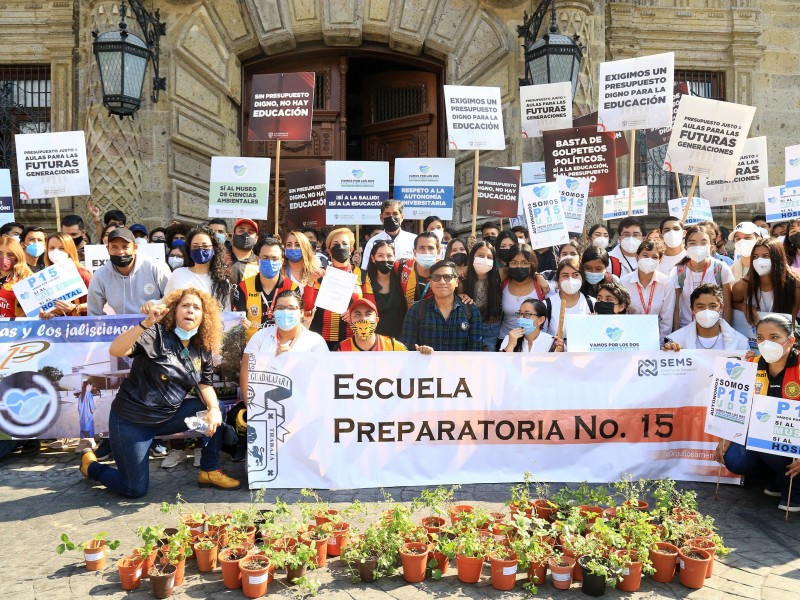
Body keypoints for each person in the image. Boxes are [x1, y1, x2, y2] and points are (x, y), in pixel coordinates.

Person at [80, 288, 240, 496]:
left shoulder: (202, 348)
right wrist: (146, 323)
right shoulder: (155, 334)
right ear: (174, 311)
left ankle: (209, 470)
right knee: (134, 489)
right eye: (185, 305)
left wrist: (213, 409)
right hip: (131, 422)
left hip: (168, 416)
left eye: (196, 307)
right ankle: (91, 467)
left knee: (214, 408)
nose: (190, 310)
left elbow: (205, 384)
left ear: (204, 316)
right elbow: (116, 351)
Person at [716, 314, 800, 512]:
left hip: (795, 441)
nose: (766, 343)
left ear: (791, 340)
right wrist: (726, 436)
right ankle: (776, 480)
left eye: (774, 337)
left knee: (767, 443)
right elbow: (738, 406)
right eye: (760, 338)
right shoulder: (751, 365)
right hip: (767, 438)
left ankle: (794, 490)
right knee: (736, 459)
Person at [240, 289, 329, 396]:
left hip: (303, 406)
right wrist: (252, 408)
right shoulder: (260, 337)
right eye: (280, 308)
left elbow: (323, 379)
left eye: (291, 308)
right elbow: (246, 375)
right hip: (263, 404)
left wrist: (293, 361)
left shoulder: (315, 341)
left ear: (301, 312)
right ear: (274, 312)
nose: (285, 312)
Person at [399, 260, 483, 353]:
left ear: (456, 282)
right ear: (430, 282)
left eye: (447, 277)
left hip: (460, 367)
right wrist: (420, 352)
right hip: (426, 367)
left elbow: (475, 351)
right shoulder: (416, 310)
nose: (442, 282)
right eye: (436, 277)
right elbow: (406, 349)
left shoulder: (471, 310)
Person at [732, 238, 800, 348]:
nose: (759, 260)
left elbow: (790, 320)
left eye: (765, 256)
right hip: (752, 343)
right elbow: (733, 303)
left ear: (777, 258)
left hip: (781, 342)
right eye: (755, 257)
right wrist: (743, 306)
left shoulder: (794, 285)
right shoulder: (743, 285)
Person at [87, 228, 171, 316]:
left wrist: (156, 303)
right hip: (122, 327)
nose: (120, 252)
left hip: (155, 324)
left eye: (125, 247)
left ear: (135, 248)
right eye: (114, 247)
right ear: (108, 249)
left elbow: (173, 298)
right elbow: (94, 313)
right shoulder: (100, 276)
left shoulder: (156, 267)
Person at [233, 236, 300, 342]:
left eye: (274, 258)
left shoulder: (292, 288)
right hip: (252, 348)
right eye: (265, 258)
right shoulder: (243, 287)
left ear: (281, 262)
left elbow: (297, 322)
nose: (270, 262)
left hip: (281, 347)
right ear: (257, 260)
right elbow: (236, 324)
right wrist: (240, 324)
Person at [305, 227, 363, 349]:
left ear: (351, 249)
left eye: (345, 244)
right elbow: (308, 307)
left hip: (352, 339)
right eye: (335, 244)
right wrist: (310, 281)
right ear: (329, 251)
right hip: (321, 340)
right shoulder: (320, 274)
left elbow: (371, 306)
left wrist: (355, 311)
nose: (340, 247)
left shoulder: (362, 274)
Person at [671, 224, 735, 329]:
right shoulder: (678, 271)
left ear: (710, 247)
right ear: (686, 247)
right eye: (692, 243)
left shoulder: (720, 268)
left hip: (715, 329)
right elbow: (676, 308)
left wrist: (725, 331)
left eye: (703, 242)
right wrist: (676, 333)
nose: (698, 246)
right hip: (687, 328)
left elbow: (728, 305)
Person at [662, 284, 748, 351]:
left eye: (713, 306)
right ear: (692, 309)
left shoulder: (740, 342)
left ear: (721, 307)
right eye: (700, 307)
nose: (707, 311)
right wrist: (669, 352)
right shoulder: (676, 340)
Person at [164, 227, 232, 311]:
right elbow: (165, 303)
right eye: (195, 246)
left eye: (205, 246)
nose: (200, 250)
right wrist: (152, 303)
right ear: (189, 249)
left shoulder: (222, 282)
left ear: (214, 249)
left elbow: (226, 313)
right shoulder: (178, 274)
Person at [620, 240, 675, 340]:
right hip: (630, 337)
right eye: (645, 255)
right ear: (637, 257)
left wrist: (660, 344)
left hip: (656, 337)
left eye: (654, 257)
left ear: (660, 260)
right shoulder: (624, 282)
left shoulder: (666, 283)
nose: (650, 260)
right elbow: (623, 314)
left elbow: (666, 319)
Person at [499, 243, 549, 344]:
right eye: (514, 263)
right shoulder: (503, 283)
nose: (519, 267)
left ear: (531, 264)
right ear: (508, 264)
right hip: (506, 340)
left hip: (533, 342)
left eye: (524, 263)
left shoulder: (541, 287)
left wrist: (538, 275)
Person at [460, 241, 503, 351]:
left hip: (491, 329)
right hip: (468, 327)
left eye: (489, 257)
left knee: (488, 363)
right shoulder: (462, 279)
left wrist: (539, 277)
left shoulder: (500, 275)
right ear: (472, 257)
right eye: (480, 256)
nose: (485, 260)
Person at [361, 240, 407, 339]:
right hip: (373, 341)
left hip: (400, 341)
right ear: (373, 258)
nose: (385, 259)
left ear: (394, 257)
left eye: (389, 256)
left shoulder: (402, 280)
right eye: (380, 256)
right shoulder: (364, 281)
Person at [39, 233, 92, 318]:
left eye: (62, 248)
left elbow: (99, 303)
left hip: (81, 326)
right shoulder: (43, 277)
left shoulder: (82, 274)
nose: (55, 252)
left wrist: (76, 307)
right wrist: (45, 313)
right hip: (55, 328)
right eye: (52, 248)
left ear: (70, 250)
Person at [544, 257, 595, 340]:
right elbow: (541, 336)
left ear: (582, 278)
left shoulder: (592, 303)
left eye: (575, 275)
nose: (570, 279)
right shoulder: (546, 305)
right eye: (565, 275)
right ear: (558, 280)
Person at [360, 200, 417, 269]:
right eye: (387, 214)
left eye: (395, 214)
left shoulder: (414, 240)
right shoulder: (373, 242)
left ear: (402, 217)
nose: (391, 217)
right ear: (381, 217)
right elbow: (365, 268)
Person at [335, 297, 407, 351]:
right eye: (357, 314)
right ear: (350, 322)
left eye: (368, 314)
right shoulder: (340, 350)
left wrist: (418, 354)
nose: (363, 319)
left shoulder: (394, 348)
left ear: (376, 320)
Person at [392, 232, 440, 309]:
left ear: (438, 252)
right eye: (421, 248)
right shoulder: (401, 266)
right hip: (406, 318)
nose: (426, 252)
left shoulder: (445, 272)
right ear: (414, 252)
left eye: (430, 248)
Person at [0, 236, 32, 317]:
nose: (4, 258)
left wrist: (11, 326)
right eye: (0, 253)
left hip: (14, 328)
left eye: (10, 254)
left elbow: (32, 312)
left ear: (18, 257)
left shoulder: (27, 278)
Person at [228, 218, 259, 285]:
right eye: (241, 231)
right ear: (233, 234)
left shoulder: (259, 263)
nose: (245, 235)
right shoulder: (220, 257)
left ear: (256, 239)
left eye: (250, 232)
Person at [77, 381, 96, 452]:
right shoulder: (89, 395)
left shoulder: (80, 395)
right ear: (88, 386)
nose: (91, 388)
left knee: (82, 438)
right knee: (91, 437)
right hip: (89, 420)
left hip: (82, 420)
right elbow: (92, 409)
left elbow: (78, 409)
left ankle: (82, 449)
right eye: (91, 386)